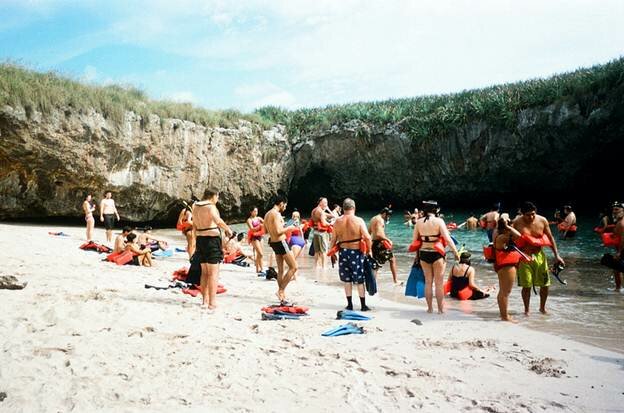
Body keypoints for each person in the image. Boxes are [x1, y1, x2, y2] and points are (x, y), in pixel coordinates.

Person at [513, 201, 564, 315]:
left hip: (539, 256)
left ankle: (542, 308)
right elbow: (509, 240)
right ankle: (526, 310)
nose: (531, 217)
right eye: (528, 215)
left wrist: (557, 255)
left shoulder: (542, 220)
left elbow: (550, 238)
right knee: (526, 286)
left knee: (545, 284)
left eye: (533, 214)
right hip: (523, 257)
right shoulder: (516, 223)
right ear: (522, 213)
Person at [412, 200, 460, 313]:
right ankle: (440, 310)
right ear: (436, 210)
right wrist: (456, 252)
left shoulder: (418, 222)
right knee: (439, 283)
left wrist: (417, 257)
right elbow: (447, 239)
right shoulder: (439, 221)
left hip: (423, 253)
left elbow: (415, 241)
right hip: (437, 254)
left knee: (428, 282)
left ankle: (429, 309)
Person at [192, 188, 233, 310]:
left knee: (204, 273)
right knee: (213, 273)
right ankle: (212, 303)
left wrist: (194, 243)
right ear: (213, 196)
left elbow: (194, 225)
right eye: (217, 197)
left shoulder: (195, 206)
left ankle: (205, 301)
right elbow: (218, 221)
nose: (218, 199)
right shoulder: (211, 207)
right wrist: (228, 229)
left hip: (200, 241)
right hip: (211, 241)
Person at [329, 198, 373, 311]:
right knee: (359, 280)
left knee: (347, 279)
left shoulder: (337, 221)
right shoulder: (359, 220)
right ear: (354, 208)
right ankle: (363, 305)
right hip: (356, 253)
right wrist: (369, 251)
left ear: (343, 208)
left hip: (343, 252)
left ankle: (349, 305)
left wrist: (331, 253)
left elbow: (333, 239)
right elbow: (367, 237)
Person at [264, 195, 298, 305]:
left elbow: (265, 231)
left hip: (274, 242)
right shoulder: (276, 214)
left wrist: (281, 225)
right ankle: (281, 291)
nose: (285, 207)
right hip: (281, 242)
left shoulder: (267, 214)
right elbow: (279, 231)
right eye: (285, 205)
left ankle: (282, 296)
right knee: (294, 267)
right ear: (281, 203)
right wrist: (290, 228)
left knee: (281, 270)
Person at [493, 217, 523, 322]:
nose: (512, 225)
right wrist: (508, 226)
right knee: (505, 292)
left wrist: (506, 225)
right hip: (507, 266)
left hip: (503, 265)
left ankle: (503, 314)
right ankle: (504, 316)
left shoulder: (497, 233)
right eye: (510, 223)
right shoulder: (503, 237)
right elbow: (519, 236)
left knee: (503, 291)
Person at [369, 207, 399, 284]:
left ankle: (372, 283)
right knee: (392, 259)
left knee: (376, 264)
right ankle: (395, 281)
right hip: (380, 243)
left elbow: (369, 232)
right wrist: (388, 240)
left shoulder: (373, 219)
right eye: (388, 216)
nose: (388, 218)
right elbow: (379, 234)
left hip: (374, 243)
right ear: (384, 213)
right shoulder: (380, 220)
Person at [310, 197, 332, 269]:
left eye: (327, 202)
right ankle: (324, 266)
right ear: (320, 203)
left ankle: (316, 266)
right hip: (322, 234)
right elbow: (324, 223)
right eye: (325, 202)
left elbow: (330, 215)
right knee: (324, 251)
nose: (326, 204)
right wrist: (331, 224)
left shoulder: (314, 210)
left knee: (317, 251)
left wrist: (328, 210)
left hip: (315, 233)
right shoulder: (321, 212)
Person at [246, 207, 265, 275]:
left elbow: (266, 224)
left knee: (259, 254)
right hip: (254, 237)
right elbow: (252, 229)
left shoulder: (259, 218)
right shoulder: (249, 220)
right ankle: (261, 269)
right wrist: (260, 226)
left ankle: (259, 269)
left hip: (260, 236)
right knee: (260, 254)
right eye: (254, 211)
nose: (256, 213)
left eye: (257, 211)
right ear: (251, 212)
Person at [611, 202, 624, 291]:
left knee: (616, 269)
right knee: (618, 269)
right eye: (614, 209)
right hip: (621, 249)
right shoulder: (619, 221)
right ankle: (618, 289)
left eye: (617, 209)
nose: (614, 211)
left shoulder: (622, 223)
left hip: (622, 250)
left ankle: (618, 289)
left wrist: (619, 252)